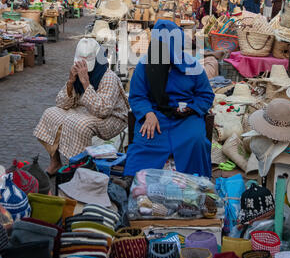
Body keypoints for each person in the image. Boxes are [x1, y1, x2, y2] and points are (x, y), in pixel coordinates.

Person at [124, 20, 215, 178]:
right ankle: (138, 185)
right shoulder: (145, 65)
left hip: (185, 117)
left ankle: (195, 186)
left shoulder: (192, 65)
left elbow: (206, 95)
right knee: (145, 141)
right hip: (156, 115)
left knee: (196, 140)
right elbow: (137, 96)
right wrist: (148, 113)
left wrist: (191, 108)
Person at [34, 38, 130, 175]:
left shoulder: (108, 77)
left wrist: (85, 83)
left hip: (112, 117)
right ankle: (55, 162)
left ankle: (80, 170)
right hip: (86, 109)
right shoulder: (77, 71)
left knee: (79, 124)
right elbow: (61, 103)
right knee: (50, 114)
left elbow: (102, 111)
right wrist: (70, 83)